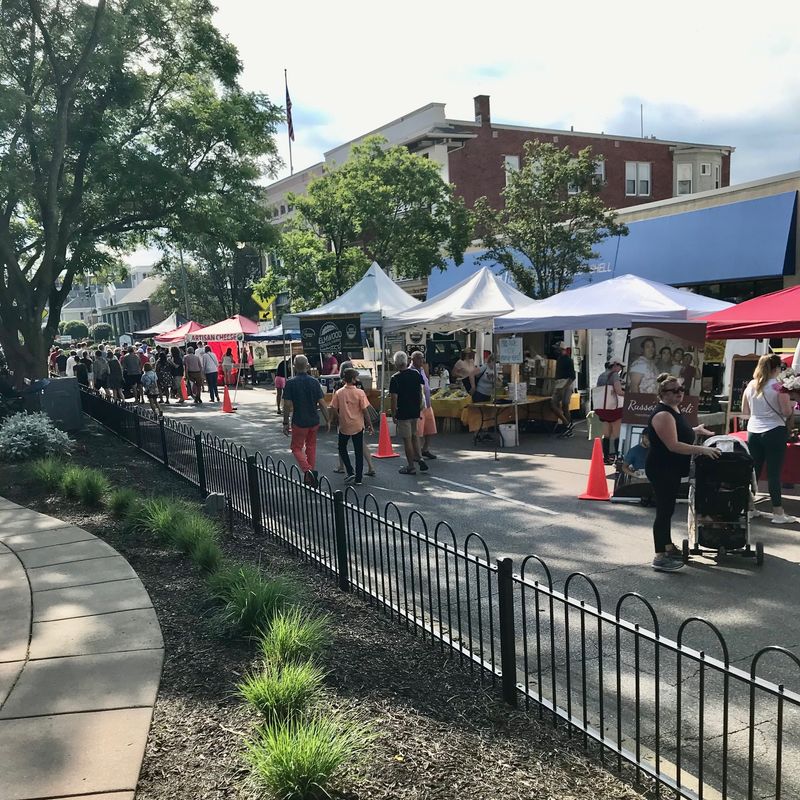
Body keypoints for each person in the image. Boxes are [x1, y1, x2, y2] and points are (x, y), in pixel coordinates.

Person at [646, 373, 720, 572]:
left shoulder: (673, 410)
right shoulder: (662, 414)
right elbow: (673, 445)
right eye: (674, 391)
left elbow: (678, 431)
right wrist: (702, 449)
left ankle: (668, 546)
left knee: (668, 509)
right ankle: (659, 555)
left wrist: (696, 430)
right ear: (663, 394)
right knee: (663, 511)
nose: (679, 394)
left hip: (670, 467)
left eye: (681, 389)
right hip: (661, 468)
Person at [742, 354, 797, 525]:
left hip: (753, 431)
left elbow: (745, 409)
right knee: (774, 473)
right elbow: (786, 412)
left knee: (753, 472)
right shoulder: (779, 387)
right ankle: (778, 512)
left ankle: (749, 507)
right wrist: (793, 406)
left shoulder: (751, 385)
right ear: (776, 368)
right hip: (774, 430)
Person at [283, 354, 330, 487]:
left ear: (294, 367)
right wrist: (328, 419)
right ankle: (309, 476)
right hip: (313, 420)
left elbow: (286, 405)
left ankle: (308, 471)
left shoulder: (290, 383)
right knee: (311, 447)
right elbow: (322, 402)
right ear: (308, 366)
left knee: (296, 448)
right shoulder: (314, 382)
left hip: (299, 420)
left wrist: (285, 422)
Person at [329, 367, 375, 485]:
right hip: (358, 425)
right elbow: (365, 410)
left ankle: (350, 470)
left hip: (344, 425)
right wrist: (369, 424)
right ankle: (358, 478)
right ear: (354, 379)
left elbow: (333, 407)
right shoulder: (360, 392)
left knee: (342, 447)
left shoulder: (339, 392)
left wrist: (337, 417)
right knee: (358, 451)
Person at [389, 351, 427, 476]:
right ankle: (420, 458)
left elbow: (394, 398)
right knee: (415, 435)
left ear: (396, 363)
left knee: (407, 440)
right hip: (415, 410)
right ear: (406, 361)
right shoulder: (415, 374)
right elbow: (420, 391)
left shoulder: (395, 378)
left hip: (403, 411)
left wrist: (393, 413)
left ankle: (411, 466)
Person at [595, 359, 625, 464]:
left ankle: (606, 458)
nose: (621, 369)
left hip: (603, 409)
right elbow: (619, 391)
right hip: (614, 409)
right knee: (617, 434)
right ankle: (617, 458)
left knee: (606, 435)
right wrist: (629, 394)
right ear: (615, 365)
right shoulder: (615, 375)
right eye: (620, 366)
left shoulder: (601, 375)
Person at [411, 351, 438, 459]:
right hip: (419, 405)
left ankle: (425, 449)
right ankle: (416, 453)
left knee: (430, 429)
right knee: (418, 431)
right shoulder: (411, 371)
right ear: (413, 359)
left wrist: (430, 390)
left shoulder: (422, 369)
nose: (421, 360)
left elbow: (424, 385)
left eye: (422, 358)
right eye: (419, 358)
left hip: (427, 403)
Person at [551, 342, 575, 438]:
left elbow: (572, 376)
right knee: (564, 406)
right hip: (560, 383)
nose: (556, 350)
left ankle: (567, 425)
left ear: (562, 349)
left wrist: (564, 387)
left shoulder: (568, 360)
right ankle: (567, 426)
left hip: (565, 383)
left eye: (558, 349)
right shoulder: (560, 359)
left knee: (554, 404)